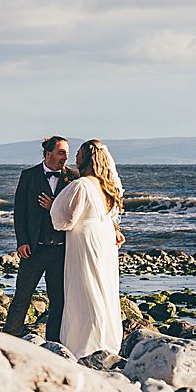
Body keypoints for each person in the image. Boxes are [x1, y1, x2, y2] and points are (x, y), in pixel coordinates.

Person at [49, 138, 126, 359]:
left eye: (79, 153)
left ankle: (84, 343)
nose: (75, 157)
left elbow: (66, 219)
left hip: (85, 241)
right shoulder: (107, 186)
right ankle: (106, 340)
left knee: (85, 288)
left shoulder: (81, 185)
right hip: (105, 241)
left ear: (87, 158)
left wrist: (52, 207)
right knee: (103, 287)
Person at [4, 136, 73, 341]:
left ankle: (53, 342)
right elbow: (20, 212)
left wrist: (55, 206)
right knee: (22, 296)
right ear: (48, 153)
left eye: (67, 153)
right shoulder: (29, 176)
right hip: (34, 248)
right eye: (61, 152)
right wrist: (21, 241)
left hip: (61, 250)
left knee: (58, 300)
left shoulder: (74, 178)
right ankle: (10, 336)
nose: (65, 157)